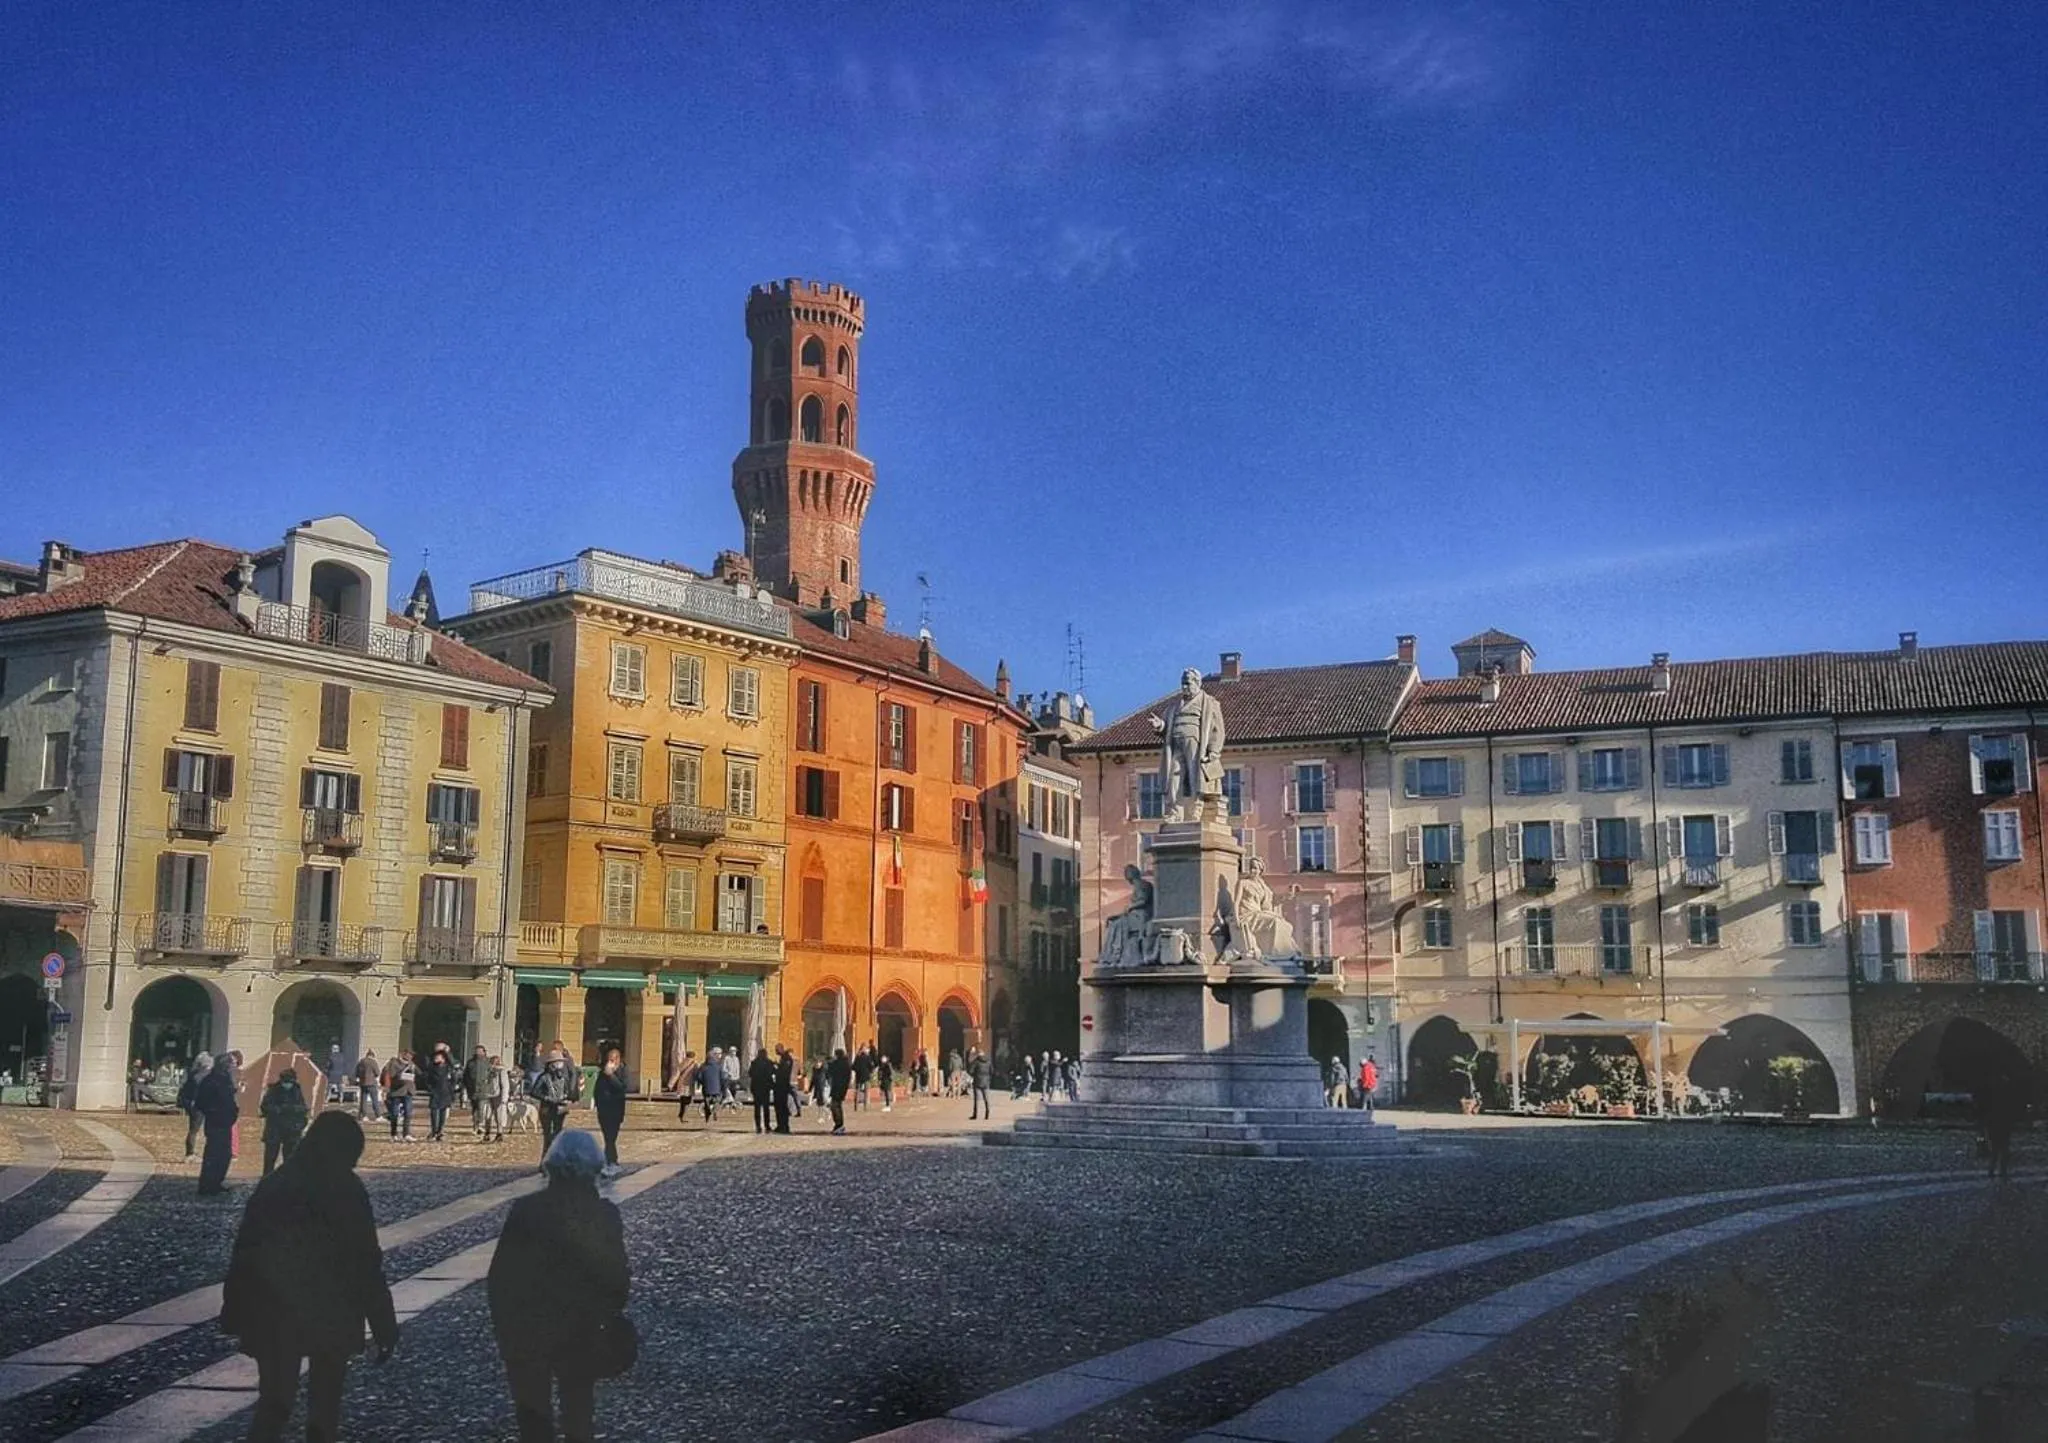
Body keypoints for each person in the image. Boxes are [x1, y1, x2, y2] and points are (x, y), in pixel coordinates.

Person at [221, 1112, 397, 1443]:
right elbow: (366, 1260)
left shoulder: (276, 1184)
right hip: (332, 1309)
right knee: (325, 1406)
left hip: (274, 1308)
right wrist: (383, 1320)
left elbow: (246, 1252)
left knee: (275, 1401)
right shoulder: (347, 1189)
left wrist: (234, 1310)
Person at [488, 1130, 630, 1443]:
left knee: (532, 1412)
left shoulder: (526, 1210)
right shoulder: (604, 1215)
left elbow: (501, 1276)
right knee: (578, 1408)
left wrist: (505, 1327)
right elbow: (617, 1278)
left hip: (528, 1326)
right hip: (582, 1326)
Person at [194, 1050, 241, 1195]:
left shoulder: (224, 1080)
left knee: (223, 1155)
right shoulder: (212, 1080)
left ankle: (216, 1182)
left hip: (225, 1122)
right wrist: (214, 1112)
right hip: (216, 1122)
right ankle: (208, 1185)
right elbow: (201, 1102)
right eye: (230, 1064)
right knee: (213, 1155)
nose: (232, 1067)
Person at [529, 1044, 578, 1161]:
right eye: (557, 1063)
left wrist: (567, 1097)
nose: (559, 1066)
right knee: (548, 1136)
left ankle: (555, 1159)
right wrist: (546, 1098)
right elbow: (534, 1092)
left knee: (558, 1135)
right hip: (547, 1109)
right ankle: (545, 1160)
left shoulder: (563, 1078)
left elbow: (568, 1090)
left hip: (560, 1109)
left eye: (560, 1063)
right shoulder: (544, 1077)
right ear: (551, 1064)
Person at [259, 1066, 311, 1176]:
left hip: (292, 1130)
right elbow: (265, 1107)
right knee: (270, 1158)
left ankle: (289, 1180)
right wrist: (280, 1109)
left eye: (290, 1082)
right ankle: (267, 1179)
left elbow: (303, 1108)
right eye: (285, 1082)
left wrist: (295, 1112)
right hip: (275, 1129)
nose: (287, 1084)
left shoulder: (296, 1090)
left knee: (290, 1159)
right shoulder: (273, 1090)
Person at [594, 1047, 628, 1176]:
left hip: (616, 1110)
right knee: (608, 1137)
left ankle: (611, 1161)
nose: (610, 1062)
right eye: (608, 1060)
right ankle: (611, 1161)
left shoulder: (623, 1071)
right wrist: (597, 1104)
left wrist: (611, 1076)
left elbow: (622, 1088)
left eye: (612, 1060)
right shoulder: (603, 1073)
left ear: (618, 1059)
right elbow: (597, 1090)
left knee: (611, 1137)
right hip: (603, 1110)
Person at [178, 1052, 213, 1159]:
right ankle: (190, 1153)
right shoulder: (205, 1075)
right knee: (195, 1129)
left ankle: (190, 1152)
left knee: (193, 1129)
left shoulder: (193, 1073)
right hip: (199, 1105)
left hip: (191, 1103)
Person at [386, 1050, 418, 1142]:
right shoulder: (394, 1063)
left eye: (411, 1055)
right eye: (408, 1054)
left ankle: (406, 1133)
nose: (410, 1057)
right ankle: (394, 1134)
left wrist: (413, 1068)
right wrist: (401, 1076)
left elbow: (419, 1074)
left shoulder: (411, 1064)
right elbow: (391, 1075)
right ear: (403, 1054)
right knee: (395, 1114)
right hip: (397, 1091)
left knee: (408, 1113)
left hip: (408, 1092)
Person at [482, 1053, 511, 1144]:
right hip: (488, 1095)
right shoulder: (487, 1071)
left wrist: (504, 1097)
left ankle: (499, 1133)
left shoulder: (501, 1071)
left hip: (498, 1096)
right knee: (487, 1115)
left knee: (499, 1116)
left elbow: (505, 1085)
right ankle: (487, 1134)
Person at [464, 1044, 492, 1134]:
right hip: (472, 1090)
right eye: (477, 1051)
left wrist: (488, 1084)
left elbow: (491, 1074)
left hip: (483, 1089)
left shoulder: (488, 1062)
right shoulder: (470, 1062)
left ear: (484, 1052)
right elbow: (466, 1075)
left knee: (481, 1108)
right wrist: (466, 1086)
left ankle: (481, 1125)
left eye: (480, 1051)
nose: (478, 1053)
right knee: (474, 1109)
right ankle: (475, 1126)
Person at [748, 1048, 776, 1134]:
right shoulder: (769, 1062)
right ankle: (767, 1126)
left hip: (756, 1088)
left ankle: (758, 1126)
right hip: (765, 1088)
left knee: (757, 1108)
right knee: (766, 1108)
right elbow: (773, 1072)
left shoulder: (754, 1063)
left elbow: (750, 1073)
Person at [826, 1048, 852, 1135]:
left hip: (837, 1087)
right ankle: (839, 1125)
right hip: (842, 1088)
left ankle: (839, 1125)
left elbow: (830, 1072)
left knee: (835, 1106)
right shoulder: (846, 1063)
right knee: (837, 1106)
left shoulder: (838, 1063)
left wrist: (830, 1063)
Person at [772, 1045, 796, 1134]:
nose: (775, 1052)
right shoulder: (783, 1058)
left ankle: (784, 1126)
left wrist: (776, 1068)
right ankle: (780, 1125)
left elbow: (784, 1072)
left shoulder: (787, 1058)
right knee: (778, 1107)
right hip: (780, 1086)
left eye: (776, 1050)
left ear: (781, 1049)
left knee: (782, 1107)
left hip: (782, 1086)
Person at [354, 1048, 381, 1122]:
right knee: (374, 1100)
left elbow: (356, 1073)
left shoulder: (361, 1062)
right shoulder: (373, 1062)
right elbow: (377, 1073)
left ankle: (363, 1116)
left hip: (363, 1083)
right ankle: (378, 1116)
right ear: (372, 1056)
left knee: (363, 1101)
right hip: (372, 1083)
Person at [670, 1050, 697, 1122]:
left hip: (681, 1084)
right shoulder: (694, 1065)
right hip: (689, 1085)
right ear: (693, 1057)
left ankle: (681, 1114)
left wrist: (671, 1084)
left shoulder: (682, 1063)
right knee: (688, 1101)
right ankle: (683, 1116)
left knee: (682, 1101)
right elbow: (696, 1075)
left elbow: (676, 1074)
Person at [969, 1048, 993, 1120]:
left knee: (977, 1100)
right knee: (986, 1099)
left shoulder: (976, 1061)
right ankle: (987, 1114)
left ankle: (975, 1115)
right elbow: (992, 1071)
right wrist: (988, 1078)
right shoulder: (988, 1061)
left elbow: (971, 1070)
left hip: (977, 1082)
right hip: (986, 1082)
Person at [851, 1046, 875, 1111]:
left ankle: (856, 1106)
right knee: (866, 1091)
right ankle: (865, 1107)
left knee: (857, 1091)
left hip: (859, 1076)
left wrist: (857, 1070)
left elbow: (853, 1067)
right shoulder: (868, 1057)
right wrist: (870, 1072)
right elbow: (871, 1066)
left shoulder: (857, 1057)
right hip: (866, 1076)